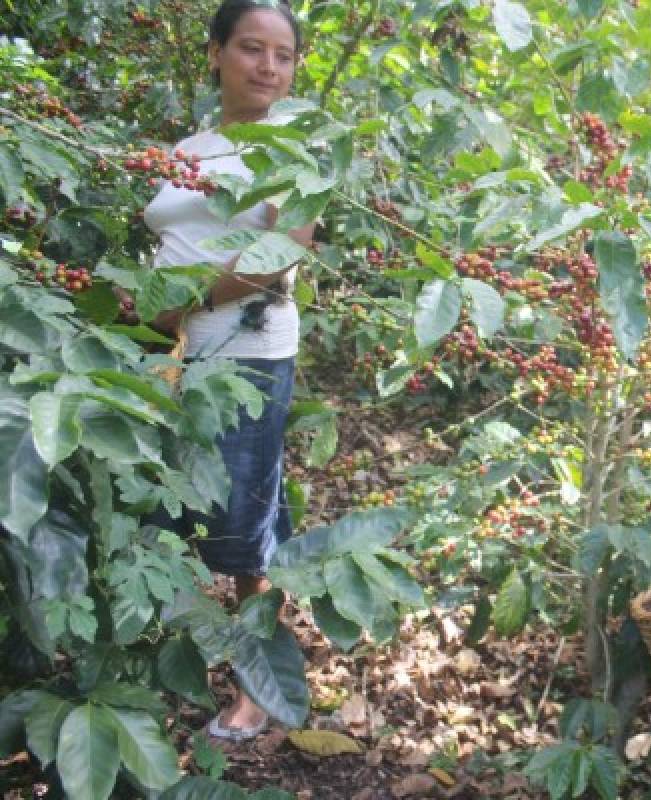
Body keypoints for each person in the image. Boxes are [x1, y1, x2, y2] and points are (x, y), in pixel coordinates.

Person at [143, 0, 312, 742]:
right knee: (162, 507)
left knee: (244, 531)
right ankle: (158, 661)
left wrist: (181, 303)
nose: (268, 67)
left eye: (282, 54)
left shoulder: (301, 146)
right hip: (168, 354)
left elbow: (286, 251)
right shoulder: (194, 143)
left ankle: (258, 687)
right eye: (250, 48)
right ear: (214, 53)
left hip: (246, 354)